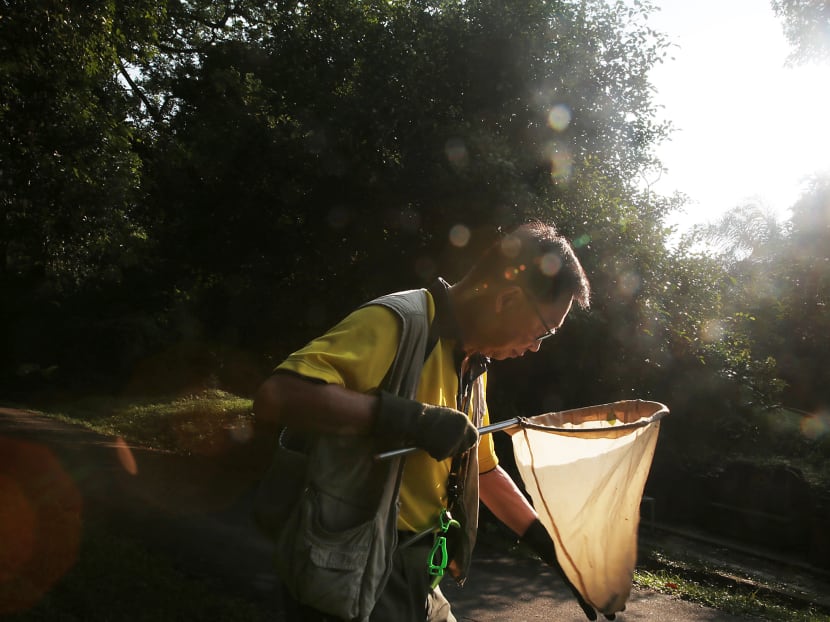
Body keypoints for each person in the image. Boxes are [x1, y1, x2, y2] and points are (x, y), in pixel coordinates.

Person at [253, 221, 602, 622]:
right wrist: (407, 419)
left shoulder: (475, 364)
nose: (536, 347)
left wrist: (552, 550)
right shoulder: (400, 322)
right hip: (355, 565)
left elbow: (483, 471)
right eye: (543, 331)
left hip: (418, 571)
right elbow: (277, 397)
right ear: (506, 299)